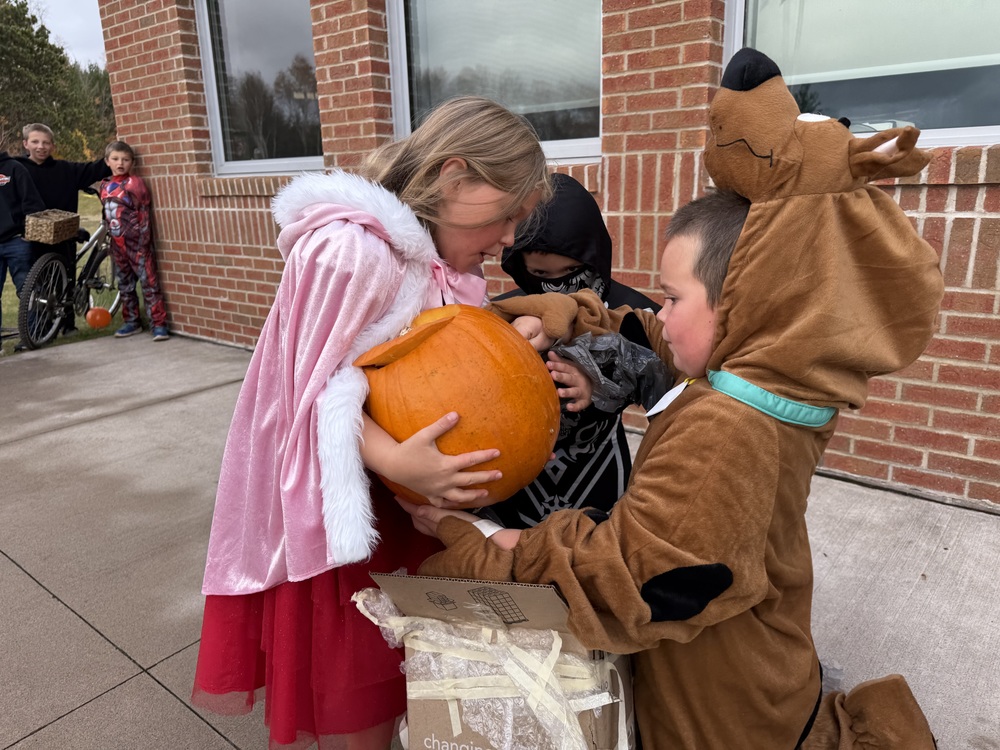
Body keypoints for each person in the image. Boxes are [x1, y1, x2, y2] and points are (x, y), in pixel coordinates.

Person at [398, 48, 944, 750]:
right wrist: (575, 315)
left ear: (750, 299)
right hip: (763, 666)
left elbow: (622, 582)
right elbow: (654, 330)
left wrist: (480, 546)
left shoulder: (728, 427)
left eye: (675, 294)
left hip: (726, 719)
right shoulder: (768, 374)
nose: (660, 308)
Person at [191, 96, 553, 750]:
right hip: (351, 527)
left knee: (408, 680)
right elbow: (302, 392)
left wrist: (507, 348)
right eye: (507, 215)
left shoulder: (443, 261)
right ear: (455, 178)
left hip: (412, 515)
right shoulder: (348, 254)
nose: (507, 239)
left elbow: (427, 363)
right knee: (358, 691)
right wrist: (389, 458)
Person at [486, 172, 663, 528]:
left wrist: (602, 379)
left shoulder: (636, 315)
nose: (558, 286)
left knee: (599, 563)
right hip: (521, 480)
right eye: (539, 273)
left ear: (594, 256)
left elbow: (665, 390)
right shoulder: (507, 317)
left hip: (600, 473)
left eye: (572, 270)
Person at [17, 123, 111, 335]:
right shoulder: (17, 168)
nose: (41, 146)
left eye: (46, 142)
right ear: (25, 144)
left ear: (52, 146)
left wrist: (115, 155)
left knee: (65, 277)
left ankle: (67, 325)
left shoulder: (66, 170)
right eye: (35, 142)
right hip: (30, 235)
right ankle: (42, 327)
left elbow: (95, 168)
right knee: (35, 284)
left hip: (63, 232)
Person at [98, 141, 169, 341]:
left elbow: (143, 212)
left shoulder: (134, 184)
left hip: (136, 243)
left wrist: (144, 241)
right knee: (125, 285)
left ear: (132, 163)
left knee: (149, 283)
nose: (120, 163)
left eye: (125, 159)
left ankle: (158, 323)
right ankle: (131, 321)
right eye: (115, 159)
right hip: (117, 243)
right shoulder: (104, 185)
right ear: (107, 161)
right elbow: (106, 213)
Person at [0, 150, 45, 340]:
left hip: (16, 241)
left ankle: (32, 335)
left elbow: (32, 203)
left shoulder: (14, 169)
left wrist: (27, 233)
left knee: (27, 292)